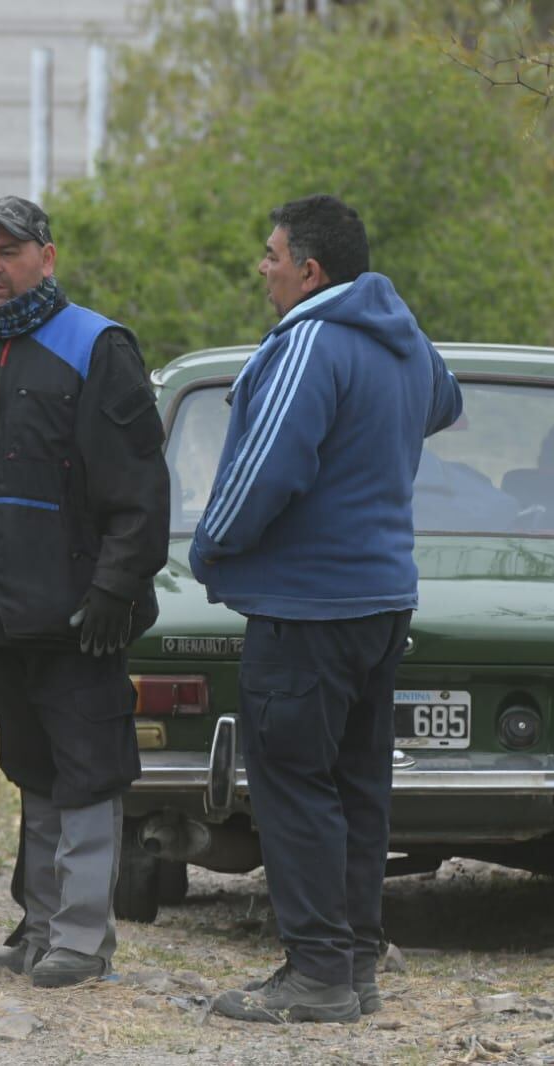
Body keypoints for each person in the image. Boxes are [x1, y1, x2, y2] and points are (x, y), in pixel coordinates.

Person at [190, 194, 462, 1024]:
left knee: (294, 787)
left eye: (271, 255)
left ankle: (315, 978)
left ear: (310, 270)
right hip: (381, 598)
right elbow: (445, 404)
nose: (262, 268)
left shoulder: (309, 339)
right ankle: (353, 968)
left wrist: (211, 550)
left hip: (309, 607)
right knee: (354, 786)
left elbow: (267, 465)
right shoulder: (400, 338)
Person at [0, 196, 170, 988]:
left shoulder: (98, 346)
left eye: (8, 252)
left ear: (47, 257)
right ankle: (37, 927)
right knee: (30, 765)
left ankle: (81, 939)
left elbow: (139, 488)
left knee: (88, 767)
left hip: (79, 614)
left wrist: (113, 589)